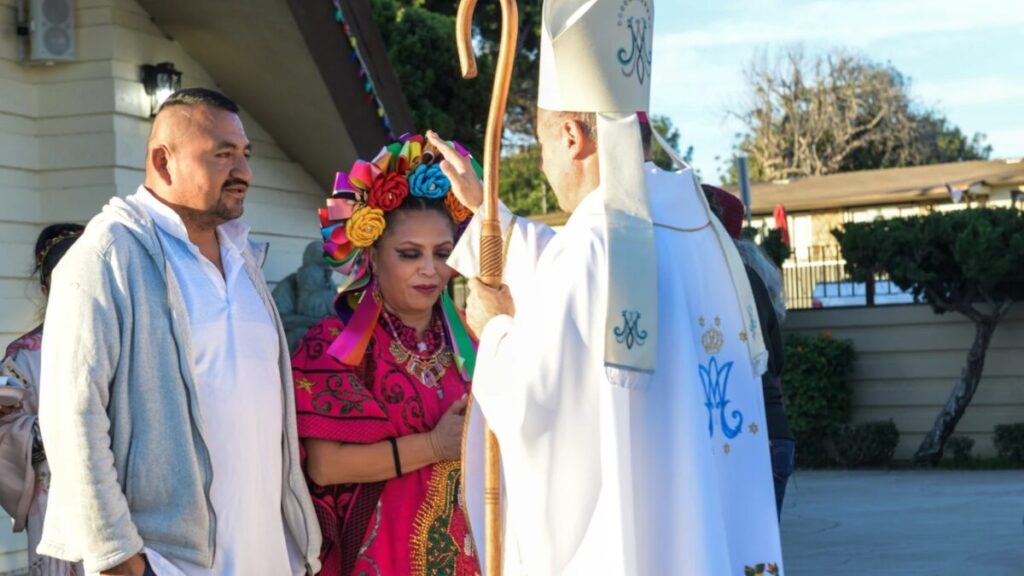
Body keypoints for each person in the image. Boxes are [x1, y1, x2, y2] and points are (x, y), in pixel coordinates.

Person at [436, 1, 785, 574]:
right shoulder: (694, 226)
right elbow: (581, 279)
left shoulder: (596, 240)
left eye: (544, 146)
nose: (546, 168)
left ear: (573, 136)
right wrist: (485, 210)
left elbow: (538, 405)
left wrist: (494, 330)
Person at [36, 88, 321, 576]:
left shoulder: (243, 257)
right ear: (163, 162)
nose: (244, 173)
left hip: (269, 554)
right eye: (222, 155)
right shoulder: (106, 257)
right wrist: (118, 556)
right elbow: (71, 416)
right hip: (169, 562)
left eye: (245, 155)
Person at [291, 134, 480, 575]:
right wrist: (435, 444)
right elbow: (325, 465)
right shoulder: (335, 347)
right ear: (373, 255)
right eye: (410, 254)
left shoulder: (473, 342)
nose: (430, 269)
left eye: (442, 253)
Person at [704, 185, 796, 518]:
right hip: (773, 432)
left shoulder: (715, 279)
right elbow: (777, 362)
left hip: (744, 436)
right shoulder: (752, 279)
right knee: (758, 559)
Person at [0, 223, 85, 576]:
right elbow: (6, 427)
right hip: (55, 494)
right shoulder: (24, 354)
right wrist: (70, 425)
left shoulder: (129, 345)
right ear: (47, 288)